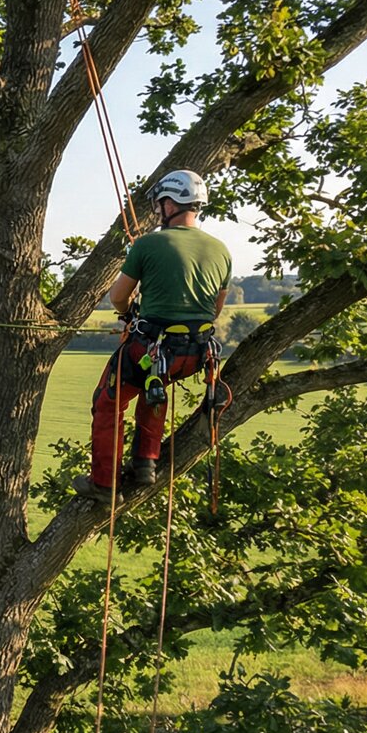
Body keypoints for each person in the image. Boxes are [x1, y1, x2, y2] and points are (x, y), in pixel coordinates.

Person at [74, 170, 231, 499]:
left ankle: (105, 482)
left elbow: (118, 296)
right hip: (195, 354)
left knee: (108, 403)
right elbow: (215, 308)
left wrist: (128, 313)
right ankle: (146, 462)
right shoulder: (221, 251)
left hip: (150, 347)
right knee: (152, 389)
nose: (158, 212)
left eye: (160, 205)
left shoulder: (148, 245)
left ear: (172, 203)